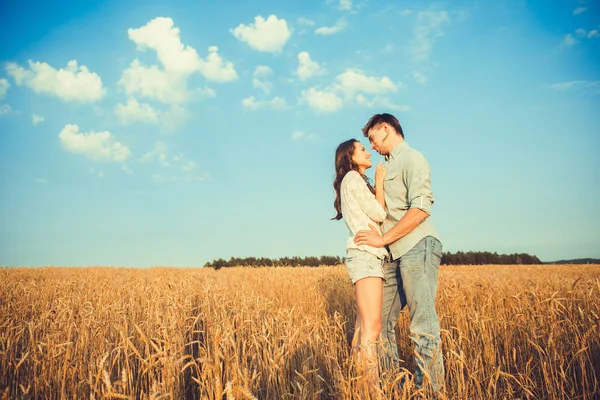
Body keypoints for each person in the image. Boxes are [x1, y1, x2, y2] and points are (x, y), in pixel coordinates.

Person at [354, 113, 445, 393]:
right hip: (393, 252)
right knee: (378, 325)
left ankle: (430, 392)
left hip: (417, 245)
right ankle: (397, 389)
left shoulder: (412, 158)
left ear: (386, 128)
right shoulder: (386, 166)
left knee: (422, 324)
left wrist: (382, 239)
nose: (370, 145)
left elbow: (421, 208)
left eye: (372, 138)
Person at [332, 139, 388, 386]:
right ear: (350, 157)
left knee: (362, 329)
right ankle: (371, 388)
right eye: (362, 149)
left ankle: (357, 386)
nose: (368, 151)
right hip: (365, 256)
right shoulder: (354, 179)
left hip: (363, 256)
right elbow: (379, 213)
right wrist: (381, 182)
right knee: (372, 329)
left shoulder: (351, 181)